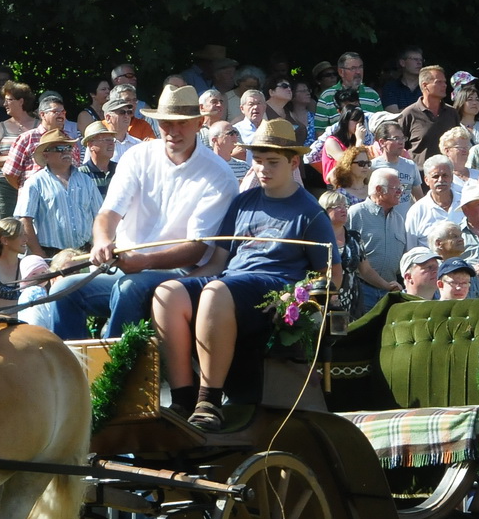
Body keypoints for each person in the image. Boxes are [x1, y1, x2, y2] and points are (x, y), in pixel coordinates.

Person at [151, 119, 335, 429]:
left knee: (215, 292)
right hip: (231, 282)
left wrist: (294, 299)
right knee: (167, 293)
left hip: (271, 289)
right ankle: (183, 398)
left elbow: (331, 275)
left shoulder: (311, 212)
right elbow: (217, 263)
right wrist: (182, 282)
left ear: (293, 162)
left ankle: (209, 401)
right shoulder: (242, 202)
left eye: (272, 162)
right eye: (258, 161)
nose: (263, 169)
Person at [31, 85, 238, 341]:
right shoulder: (137, 156)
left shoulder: (219, 175)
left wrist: (144, 262)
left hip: (182, 274)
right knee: (64, 287)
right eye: (165, 123)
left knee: (129, 288)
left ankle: (114, 373)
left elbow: (195, 249)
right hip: (128, 265)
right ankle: (74, 369)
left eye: (181, 124)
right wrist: (103, 242)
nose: (172, 131)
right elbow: (108, 213)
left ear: (198, 123)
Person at [15, 130, 103, 255]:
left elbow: (100, 215)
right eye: (59, 148)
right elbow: (25, 220)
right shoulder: (35, 182)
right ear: (46, 155)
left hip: (85, 252)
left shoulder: (86, 180)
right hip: (50, 253)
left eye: (68, 147)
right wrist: (39, 253)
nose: (66, 151)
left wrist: (98, 244)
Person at [346, 168, 409, 310]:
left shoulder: (398, 219)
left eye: (401, 187)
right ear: (379, 189)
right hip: (362, 290)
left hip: (391, 290)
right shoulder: (356, 213)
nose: (401, 192)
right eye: (396, 188)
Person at [395, 65, 458, 161]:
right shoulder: (408, 114)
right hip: (418, 173)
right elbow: (399, 148)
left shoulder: (452, 113)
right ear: (425, 85)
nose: (444, 85)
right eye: (439, 82)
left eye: (444, 82)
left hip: (448, 173)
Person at [312, 51, 383, 133]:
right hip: (338, 145)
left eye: (360, 67)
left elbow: (381, 126)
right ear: (341, 72)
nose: (358, 72)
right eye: (353, 68)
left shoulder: (372, 95)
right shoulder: (327, 96)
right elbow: (319, 131)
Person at [403, 155, 462, 247]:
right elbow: (411, 249)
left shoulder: (466, 204)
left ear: (452, 178)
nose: (440, 180)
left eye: (445, 175)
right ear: (426, 180)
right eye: (435, 176)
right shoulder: (417, 211)